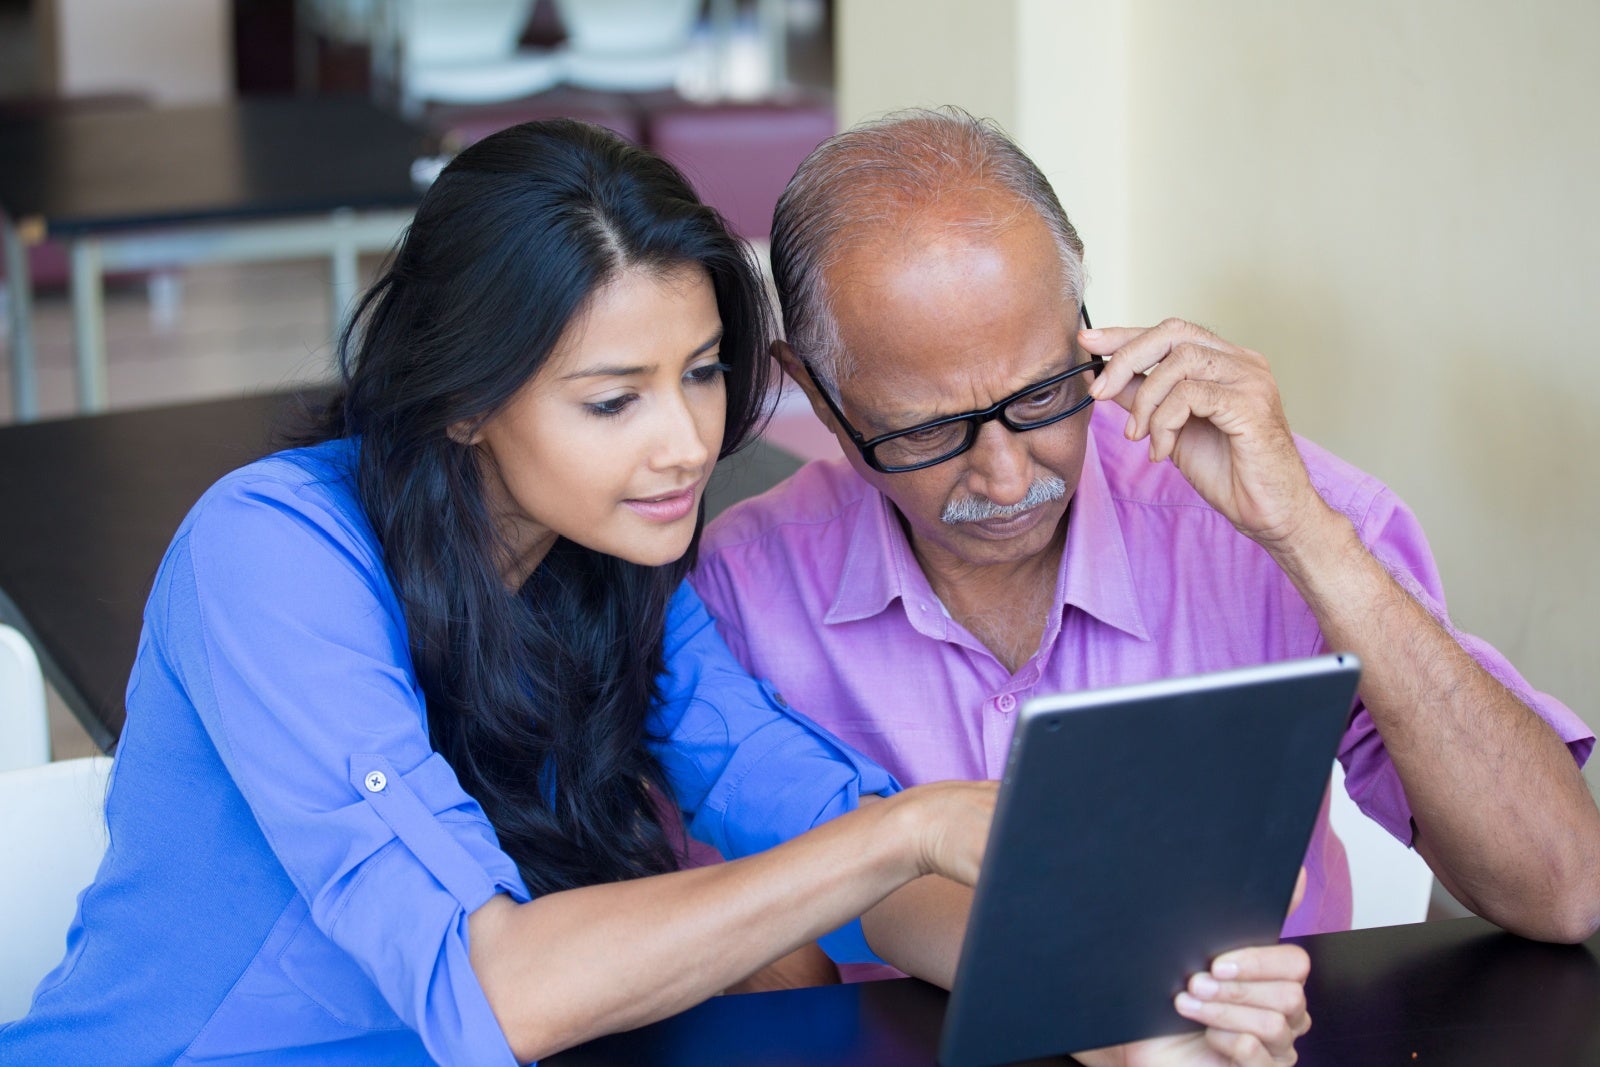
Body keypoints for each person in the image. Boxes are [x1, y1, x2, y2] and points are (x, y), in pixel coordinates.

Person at [0, 120, 1311, 1066]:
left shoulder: (620, 565)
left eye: (698, 372)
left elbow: (828, 834)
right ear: (462, 397)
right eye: (613, 397)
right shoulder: (272, 552)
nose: (688, 440)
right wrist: (903, 827)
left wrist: (1135, 997)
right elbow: (489, 984)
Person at [691, 107, 1600, 981]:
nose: (1009, 478)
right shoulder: (739, 591)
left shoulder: (1266, 510)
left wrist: (1308, 540)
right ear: (815, 393)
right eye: (929, 432)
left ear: (1086, 318)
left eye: (1046, 393)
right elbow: (740, 947)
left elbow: (1562, 890)